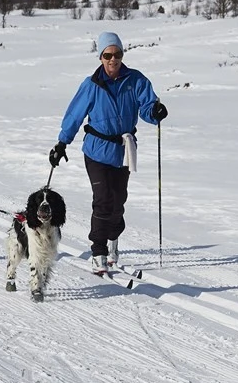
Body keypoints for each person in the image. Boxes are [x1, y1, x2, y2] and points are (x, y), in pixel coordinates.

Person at [49, 31, 167, 273]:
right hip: (96, 151)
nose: (113, 59)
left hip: (123, 151)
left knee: (118, 202)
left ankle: (113, 238)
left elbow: (146, 107)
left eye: (118, 54)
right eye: (108, 55)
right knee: (102, 200)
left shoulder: (136, 80)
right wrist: (62, 143)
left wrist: (155, 112)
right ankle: (98, 251)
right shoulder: (91, 85)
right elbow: (74, 115)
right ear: (100, 57)